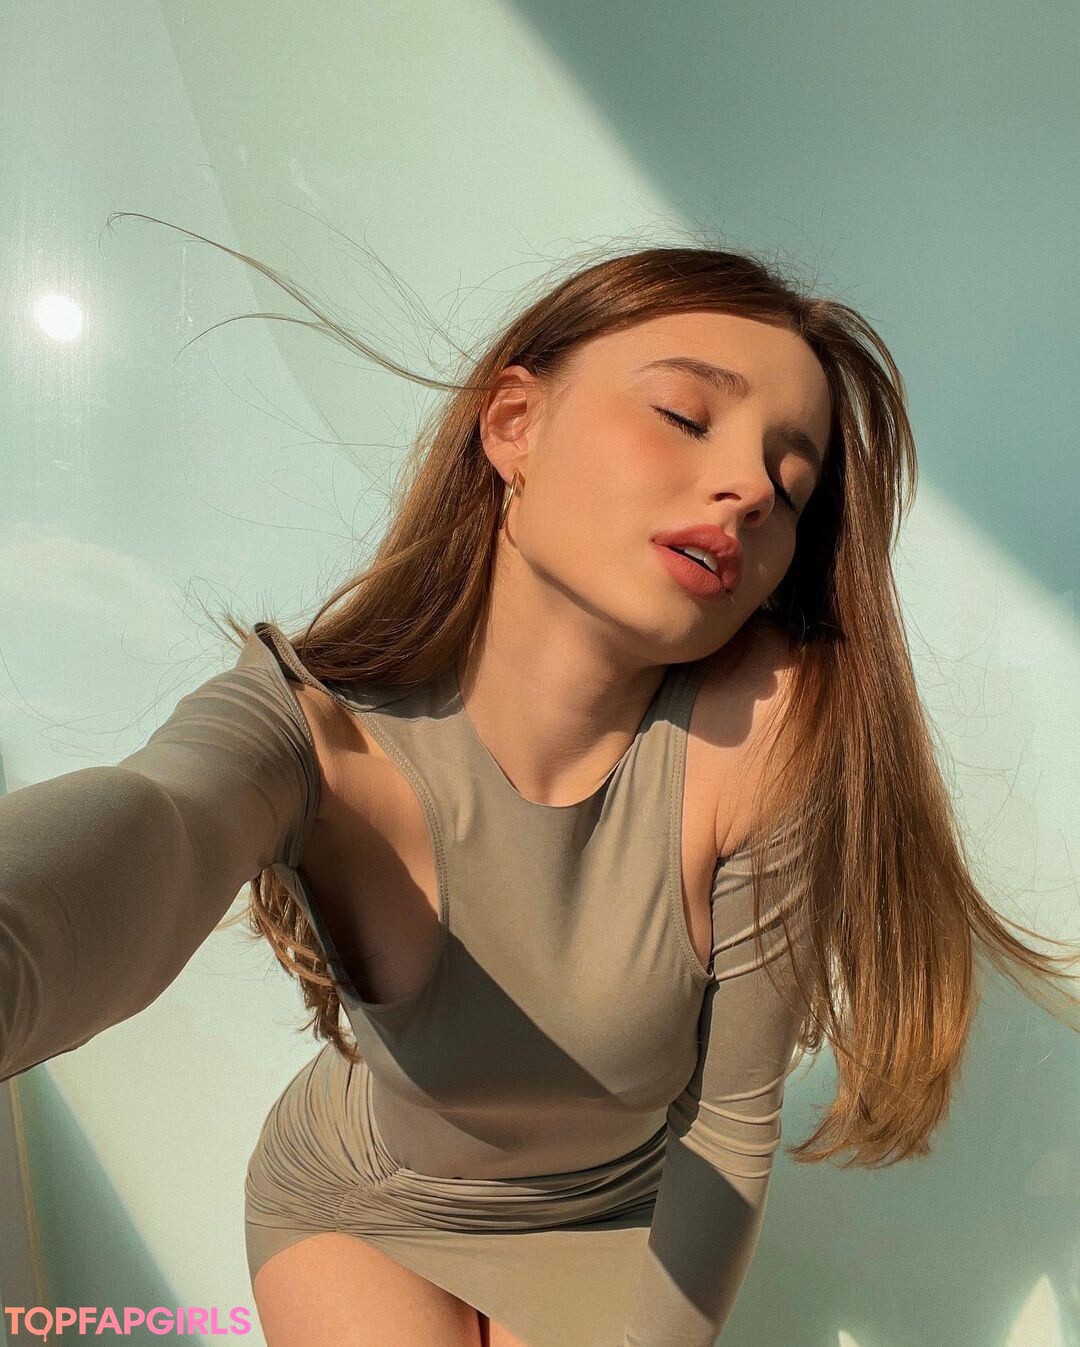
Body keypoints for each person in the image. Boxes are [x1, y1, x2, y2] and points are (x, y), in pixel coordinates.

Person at [2, 233, 1076, 1347]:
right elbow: (155, 826)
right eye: (685, 415)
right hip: (353, 1202)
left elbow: (729, 1122)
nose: (752, 489)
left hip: (615, 1221)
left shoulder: (766, 727)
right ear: (515, 423)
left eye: (792, 484)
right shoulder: (309, 728)